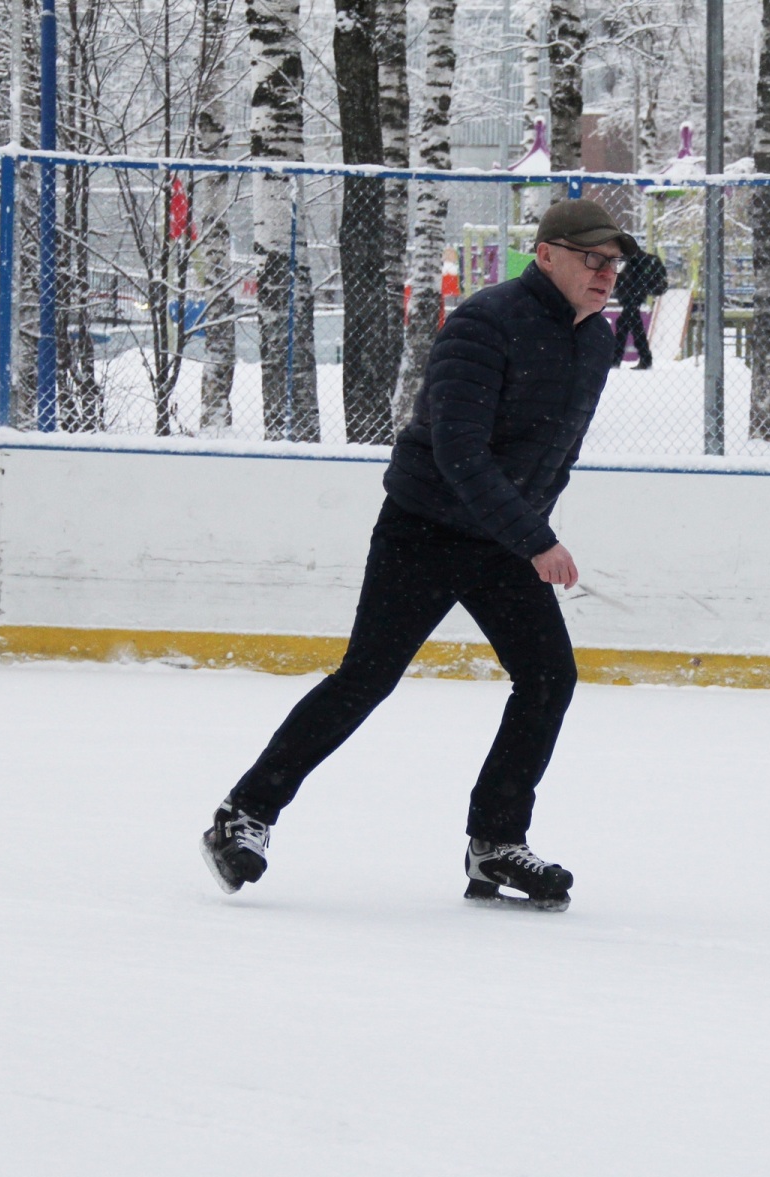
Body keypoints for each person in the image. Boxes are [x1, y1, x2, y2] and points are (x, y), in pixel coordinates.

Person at [200, 198, 635, 911]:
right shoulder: (483, 323)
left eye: (613, 262)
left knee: (549, 676)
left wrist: (527, 528)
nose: (606, 274)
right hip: (425, 528)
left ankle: (495, 845)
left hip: (502, 537)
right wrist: (537, 539)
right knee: (365, 678)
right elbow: (459, 452)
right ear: (547, 253)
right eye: (593, 259)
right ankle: (242, 817)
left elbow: (555, 448)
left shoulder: (594, 341)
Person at [610, 247, 668, 369]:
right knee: (626, 324)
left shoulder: (628, 260)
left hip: (630, 296)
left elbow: (622, 279)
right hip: (637, 295)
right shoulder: (643, 259)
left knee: (629, 325)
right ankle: (640, 358)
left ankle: (624, 359)